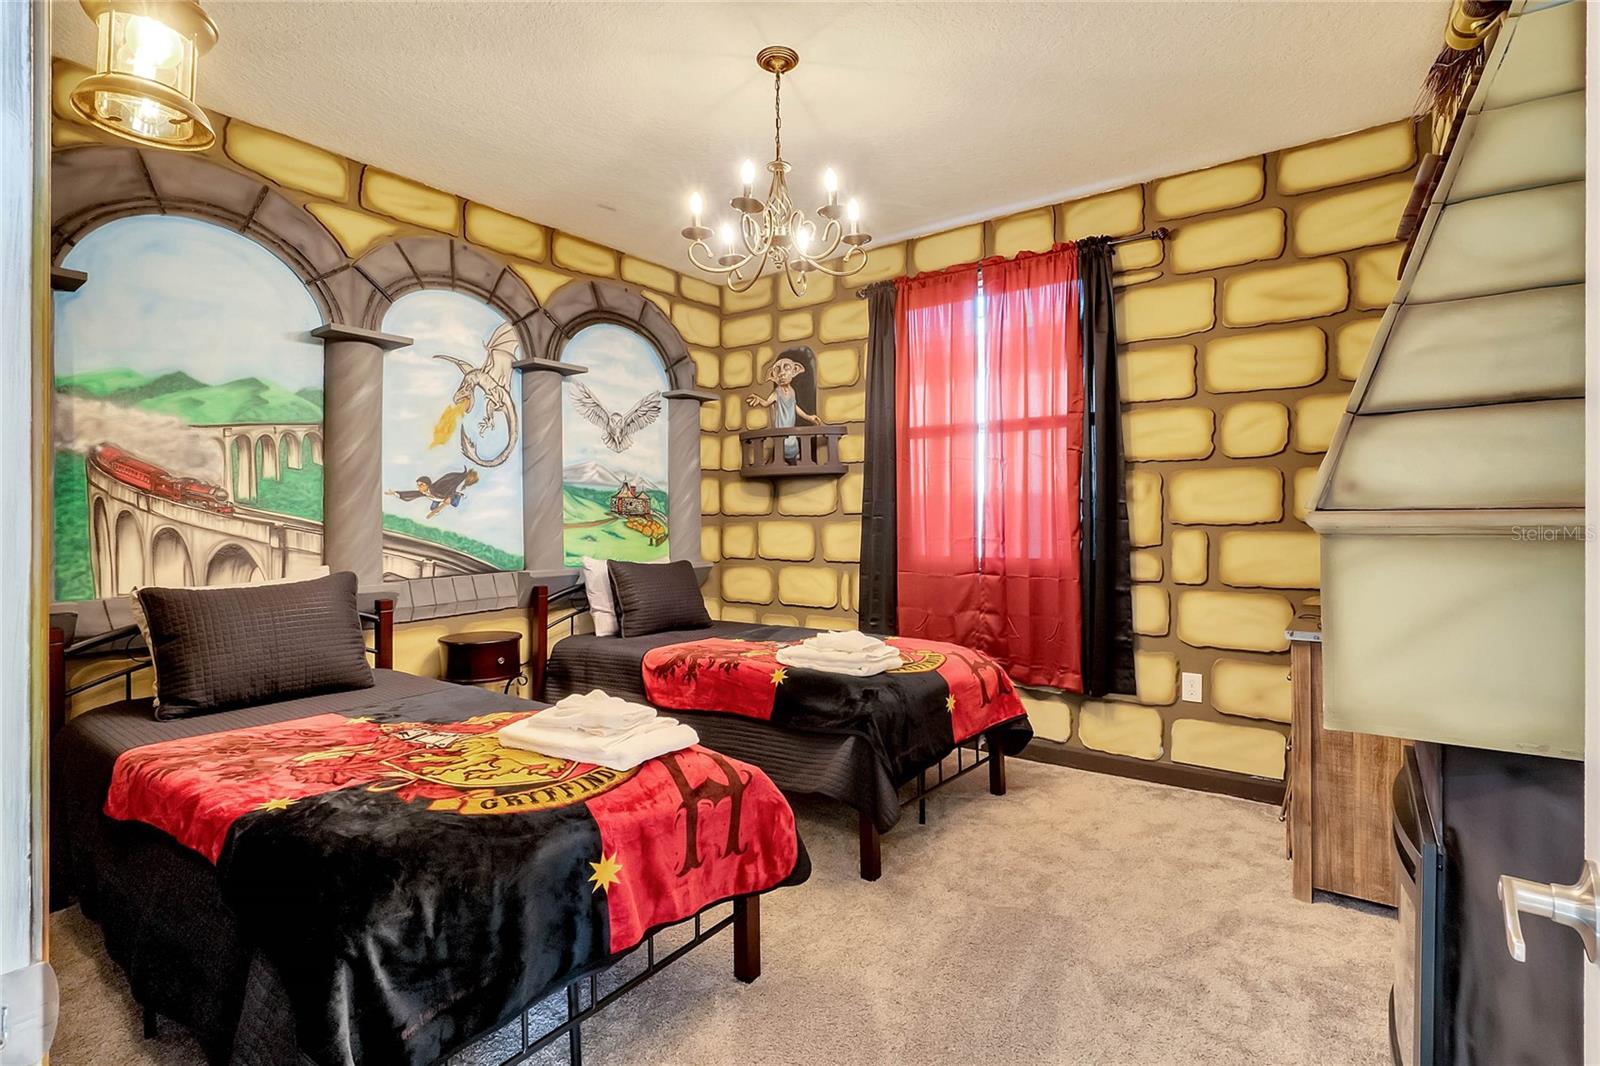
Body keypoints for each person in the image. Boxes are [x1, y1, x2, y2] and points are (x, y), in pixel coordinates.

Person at [744, 356, 821, 462]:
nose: (782, 373)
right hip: (781, 432)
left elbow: (794, 407)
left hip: (791, 433)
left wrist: (809, 417)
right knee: (781, 449)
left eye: (787, 368)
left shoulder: (792, 392)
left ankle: (795, 458)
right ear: (773, 376)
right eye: (777, 370)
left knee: (794, 450)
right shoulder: (777, 392)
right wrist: (759, 399)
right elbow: (766, 403)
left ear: (795, 371)